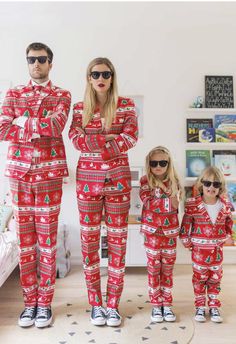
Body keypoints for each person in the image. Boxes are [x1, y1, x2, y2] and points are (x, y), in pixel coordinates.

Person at [0, 42, 71, 328]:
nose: (36, 64)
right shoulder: (13, 93)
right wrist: (35, 122)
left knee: (47, 242)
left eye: (42, 59)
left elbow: (57, 125)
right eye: (31, 59)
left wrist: (22, 119)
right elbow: (2, 128)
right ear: (27, 62)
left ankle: (45, 304)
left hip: (50, 176)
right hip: (19, 176)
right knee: (26, 244)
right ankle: (29, 303)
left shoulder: (62, 95)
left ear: (50, 63)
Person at [69, 57, 138, 327]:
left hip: (118, 181)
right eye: (95, 74)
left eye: (106, 74)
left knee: (118, 242)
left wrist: (95, 142)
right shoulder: (78, 108)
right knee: (89, 243)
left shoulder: (126, 105)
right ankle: (96, 304)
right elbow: (76, 141)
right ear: (88, 77)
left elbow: (131, 136)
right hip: (87, 181)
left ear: (112, 77)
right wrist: (108, 137)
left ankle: (113, 305)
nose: (101, 78)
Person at [180, 166, 233, 323]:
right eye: (208, 183)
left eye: (216, 184)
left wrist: (225, 238)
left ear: (220, 187)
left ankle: (214, 305)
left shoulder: (225, 205)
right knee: (199, 279)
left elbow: (229, 224)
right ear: (201, 184)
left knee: (215, 279)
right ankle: (200, 306)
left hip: (217, 253)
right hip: (199, 252)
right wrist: (190, 245)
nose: (211, 187)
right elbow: (185, 227)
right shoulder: (192, 204)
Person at [139, 146, 182, 323]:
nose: (158, 166)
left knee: (168, 270)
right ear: (149, 164)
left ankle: (167, 304)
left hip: (170, 234)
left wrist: (166, 203)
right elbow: (148, 203)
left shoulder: (175, 182)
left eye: (162, 163)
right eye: (154, 163)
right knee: (153, 269)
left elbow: (175, 205)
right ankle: (156, 305)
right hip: (151, 234)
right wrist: (168, 203)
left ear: (168, 164)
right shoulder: (144, 181)